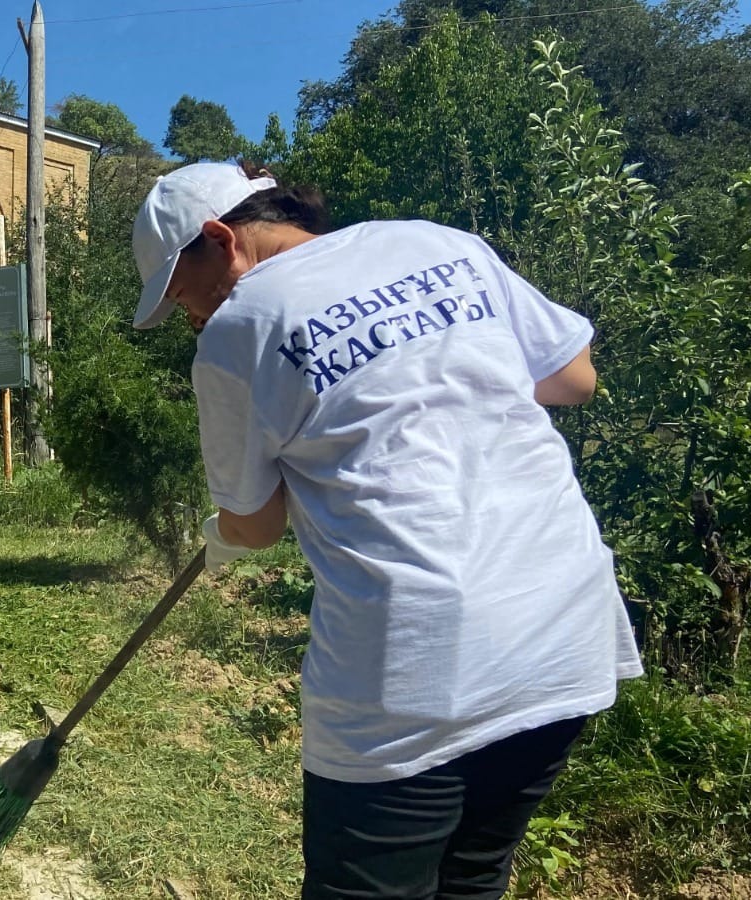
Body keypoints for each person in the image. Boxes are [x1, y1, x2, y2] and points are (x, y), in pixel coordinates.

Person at [132, 161, 642, 899]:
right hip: (563, 630)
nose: (193, 318)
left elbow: (257, 524)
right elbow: (575, 378)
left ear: (221, 239)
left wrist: (225, 531)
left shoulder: (241, 328)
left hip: (414, 673)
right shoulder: (438, 243)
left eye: (186, 295)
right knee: (473, 878)